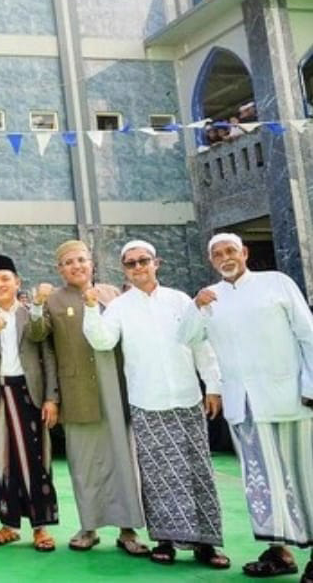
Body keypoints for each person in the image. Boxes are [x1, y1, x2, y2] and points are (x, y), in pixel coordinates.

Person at [82, 239, 228, 568]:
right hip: (147, 402)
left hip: (187, 399)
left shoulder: (179, 300)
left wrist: (213, 386)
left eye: (143, 261)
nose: (138, 268)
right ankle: (164, 540)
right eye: (131, 264)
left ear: (156, 263)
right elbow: (102, 340)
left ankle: (207, 544)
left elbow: (200, 344)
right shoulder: (119, 307)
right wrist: (91, 307)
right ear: (125, 270)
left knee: (198, 472)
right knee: (158, 475)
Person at [180, 233, 313, 579]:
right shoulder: (210, 297)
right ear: (211, 261)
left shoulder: (277, 284)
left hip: (288, 397)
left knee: (304, 476)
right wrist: (195, 307)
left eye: (231, 251)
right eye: (218, 254)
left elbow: (308, 334)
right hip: (244, 406)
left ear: (244, 253)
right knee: (260, 480)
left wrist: (311, 384)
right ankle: (278, 552)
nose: (225, 258)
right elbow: (185, 338)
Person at [27, 239, 147, 554]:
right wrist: (37, 306)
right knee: (84, 463)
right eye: (68, 262)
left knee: (123, 459)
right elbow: (39, 338)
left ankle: (128, 529)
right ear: (59, 269)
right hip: (76, 390)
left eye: (81, 260)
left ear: (91, 262)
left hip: (114, 386)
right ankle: (88, 527)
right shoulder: (52, 299)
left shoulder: (114, 295)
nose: (76, 266)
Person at [0, 254, 60, 552]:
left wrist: (51, 398)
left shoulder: (31, 313)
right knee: (0, 462)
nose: (0, 284)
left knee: (36, 460)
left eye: (6, 279)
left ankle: (40, 528)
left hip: (29, 394)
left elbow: (48, 357)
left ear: (17, 282)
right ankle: (9, 525)